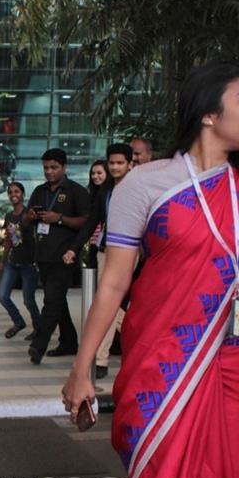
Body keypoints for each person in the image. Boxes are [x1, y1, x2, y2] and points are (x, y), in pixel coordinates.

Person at [62, 60, 239, 478]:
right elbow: (113, 284)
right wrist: (85, 367)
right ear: (208, 113)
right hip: (158, 377)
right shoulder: (146, 186)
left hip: (221, 372)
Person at [66, 144, 132, 378]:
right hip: (106, 252)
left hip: (132, 254)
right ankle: (102, 359)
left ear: (130, 164)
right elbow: (92, 221)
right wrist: (75, 248)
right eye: (111, 163)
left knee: (111, 303)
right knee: (108, 303)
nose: (115, 167)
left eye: (120, 163)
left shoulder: (137, 189)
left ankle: (142, 336)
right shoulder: (105, 192)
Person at [26, 149, 89, 364]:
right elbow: (26, 220)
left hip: (65, 255)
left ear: (64, 167)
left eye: (54, 167)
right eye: (46, 168)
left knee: (51, 301)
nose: (49, 172)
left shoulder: (75, 191)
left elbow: (86, 221)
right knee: (58, 300)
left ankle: (38, 346)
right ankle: (69, 341)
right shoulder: (39, 191)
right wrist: (32, 216)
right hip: (43, 254)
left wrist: (59, 218)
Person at [0, 181, 41, 339]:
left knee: (28, 300)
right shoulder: (9, 216)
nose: (13, 195)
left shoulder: (30, 213)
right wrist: (3, 261)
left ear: (23, 194)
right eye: (10, 192)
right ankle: (18, 321)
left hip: (29, 263)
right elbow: (9, 239)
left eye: (16, 191)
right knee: (2, 296)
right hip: (13, 262)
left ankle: (39, 328)